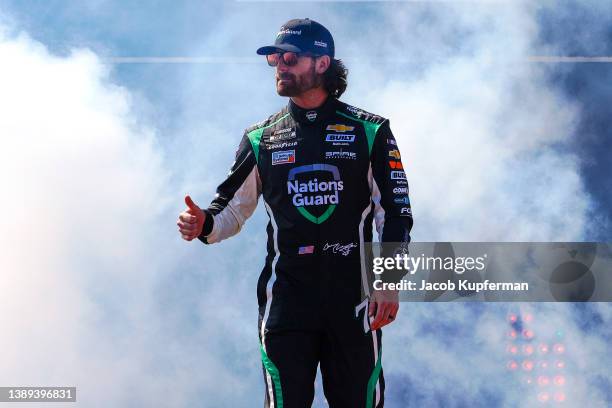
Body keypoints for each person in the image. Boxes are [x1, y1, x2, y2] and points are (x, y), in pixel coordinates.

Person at [177, 18, 413, 408]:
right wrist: (203, 223)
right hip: (286, 302)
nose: (280, 66)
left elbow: (396, 213)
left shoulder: (370, 131)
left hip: (352, 302)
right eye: (274, 59)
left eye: (289, 57)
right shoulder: (261, 137)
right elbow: (230, 211)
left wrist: (389, 282)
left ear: (322, 63)